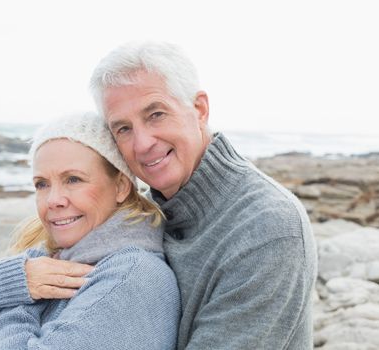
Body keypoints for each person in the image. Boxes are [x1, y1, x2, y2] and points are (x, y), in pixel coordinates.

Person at [86, 41, 318, 349]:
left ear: (199, 110)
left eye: (155, 114)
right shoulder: (142, 214)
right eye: (123, 129)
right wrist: (18, 278)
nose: (142, 144)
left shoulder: (269, 227)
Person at [0, 112, 181, 349]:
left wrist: (13, 297)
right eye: (41, 184)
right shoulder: (43, 264)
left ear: (120, 186)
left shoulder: (133, 278)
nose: (53, 200)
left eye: (73, 179)